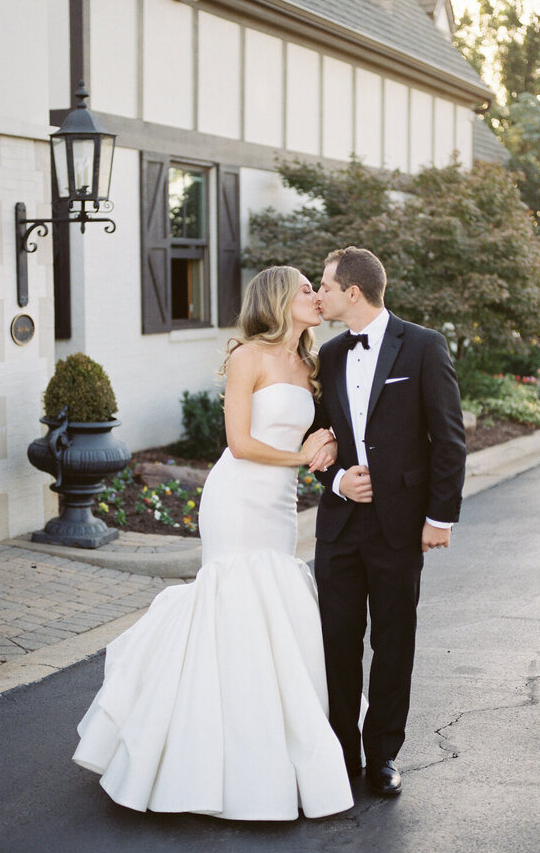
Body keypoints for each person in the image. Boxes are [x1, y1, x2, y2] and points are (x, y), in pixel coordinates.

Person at [73, 266, 354, 821]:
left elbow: (323, 426)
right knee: (236, 602)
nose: (316, 297)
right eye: (306, 289)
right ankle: (204, 751)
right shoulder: (248, 357)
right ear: (279, 298)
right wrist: (302, 454)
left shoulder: (312, 364)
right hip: (237, 496)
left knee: (274, 608)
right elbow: (241, 443)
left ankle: (274, 736)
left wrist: (327, 441)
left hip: (277, 504)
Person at [312, 246, 466, 797]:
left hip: (400, 526)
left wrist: (440, 518)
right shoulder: (328, 356)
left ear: (352, 292)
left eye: (324, 286)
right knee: (337, 643)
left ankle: (382, 757)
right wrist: (334, 482)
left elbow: (449, 438)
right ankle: (340, 756)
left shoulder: (423, 346)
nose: (318, 294)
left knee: (394, 643)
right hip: (338, 529)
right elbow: (314, 445)